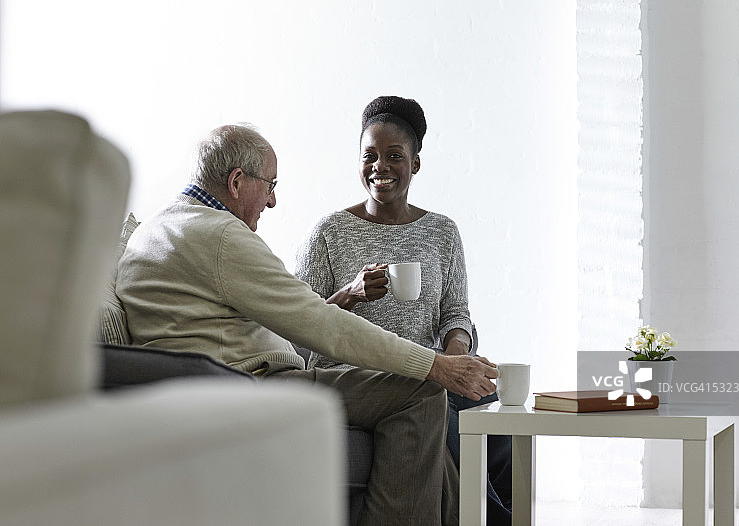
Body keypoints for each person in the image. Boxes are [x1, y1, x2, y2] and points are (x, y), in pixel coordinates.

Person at [116, 123, 499, 526]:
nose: (273, 201)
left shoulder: (155, 230)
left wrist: (451, 356)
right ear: (236, 181)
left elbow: (454, 312)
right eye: (270, 185)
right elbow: (320, 322)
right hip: (252, 387)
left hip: (221, 384)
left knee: (442, 413)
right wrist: (435, 365)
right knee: (421, 393)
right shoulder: (221, 236)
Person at [295, 96, 513, 524]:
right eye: (370, 156)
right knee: (442, 410)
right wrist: (351, 293)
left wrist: (456, 352)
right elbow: (299, 321)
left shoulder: (442, 232)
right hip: (362, 376)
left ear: (415, 164)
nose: (381, 166)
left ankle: (508, 509)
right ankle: (495, 517)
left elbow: (456, 312)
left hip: (432, 367)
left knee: (500, 406)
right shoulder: (329, 232)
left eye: (395, 156)